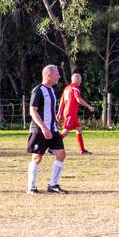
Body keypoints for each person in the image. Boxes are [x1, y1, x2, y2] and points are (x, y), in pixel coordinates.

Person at [27, 65, 68, 194]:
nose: (59, 76)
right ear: (49, 75)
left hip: (53, 129)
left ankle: (53, 185)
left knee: (61, 154)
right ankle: (31, 187)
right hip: (39, 130)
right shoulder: (38, 90)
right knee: (37, 158)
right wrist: (44, 127)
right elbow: (32, 110)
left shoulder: (51, 90)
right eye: (57, 74)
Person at [58, 72, 95, 155]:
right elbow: (78, 99)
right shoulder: (75, 88)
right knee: (65, 131)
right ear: (76, 79)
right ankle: (51, 146)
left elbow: (62, 101)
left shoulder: (67, 88)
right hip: (70, 113)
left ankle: (82, 150)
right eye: (80, 79)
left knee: (79, 129)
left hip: (70, 113)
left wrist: (60, 112)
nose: (81, 81)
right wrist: (89, 106)